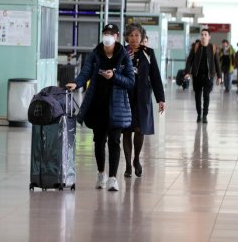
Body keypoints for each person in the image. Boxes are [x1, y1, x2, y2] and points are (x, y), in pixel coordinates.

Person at [65, 23, 135, 192]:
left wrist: (114, 76)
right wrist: (76, 83)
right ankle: (101, 173)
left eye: (111, 34)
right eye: (105, 33)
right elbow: (85, 72)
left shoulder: (123, 56)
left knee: (114, 141)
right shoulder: (96, 54)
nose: (107, 36)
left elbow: (130, 81)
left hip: (117, 106)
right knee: (98, 142)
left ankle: (112, 178)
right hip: (98, 104)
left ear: (117, 37)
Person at [122, 23, 165, 178]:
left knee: (140, 130)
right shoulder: (122, 52)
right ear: (127, 37)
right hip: (125, 96)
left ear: (142, 37)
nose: (134, 39)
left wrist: (161, 98)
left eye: (137, 35)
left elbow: (155, 77)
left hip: (143, 97)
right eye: (131, 35)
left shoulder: (148, 53)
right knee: (126, 130)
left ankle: (136, 159)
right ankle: (127, 165)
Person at [184, 28, 222, 123]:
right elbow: (189, 60)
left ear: (209, 37)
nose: (203, 36)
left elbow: (217, 63)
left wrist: (219, 76)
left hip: (209, 76)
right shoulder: (196, 47)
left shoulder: (213, 48)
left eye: (205, 34)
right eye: (202, 34)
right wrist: (187, 72)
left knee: (206, 95)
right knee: (197, 96)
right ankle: (199, 114)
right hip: (197, 76)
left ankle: (205, 115)